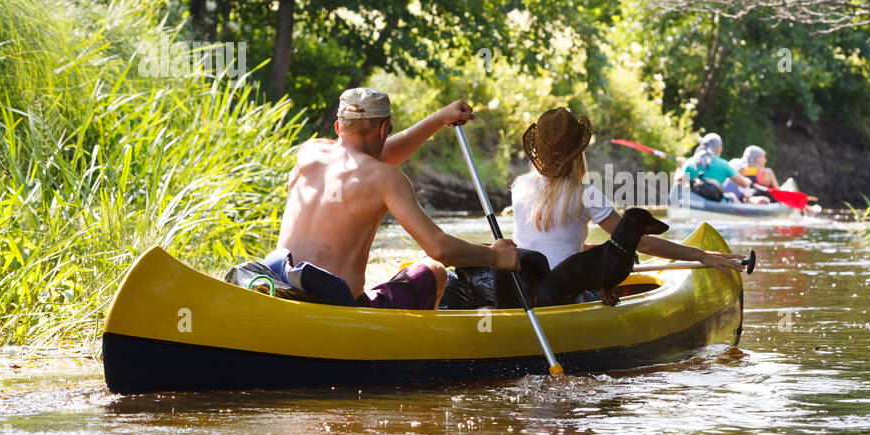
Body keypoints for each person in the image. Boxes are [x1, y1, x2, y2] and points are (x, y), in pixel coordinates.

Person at [266, 87, 519, 309]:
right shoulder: (386, 178)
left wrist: (440, 119)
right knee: (434, 270)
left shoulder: (309, 152)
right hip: (341, 308)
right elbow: (440, 249)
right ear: (384, 128)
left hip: (282, 288)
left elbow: (366, 157)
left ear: (338, 127)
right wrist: (496, 256)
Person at [512, 109, 746, 286]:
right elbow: (639, 241)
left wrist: (596, 250)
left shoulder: (520, 185)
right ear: (577, 153)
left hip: (523, 284)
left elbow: (547, 243)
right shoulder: (585, 194)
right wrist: (701, 255)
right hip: (562, 288)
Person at [682, 132, 762, 203]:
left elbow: (679, 181)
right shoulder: (724, 164)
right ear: (718, 148)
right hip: (717, 203)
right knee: (732, 196)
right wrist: (747, 181)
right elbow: (743, 184)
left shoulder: (689, 162)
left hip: (693, 201)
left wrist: (679, 166)